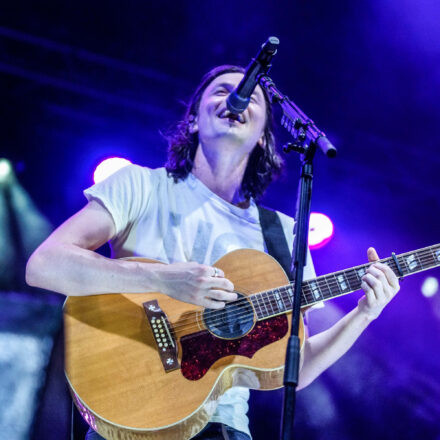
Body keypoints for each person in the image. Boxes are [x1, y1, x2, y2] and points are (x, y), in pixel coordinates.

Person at [25, 65, 400, 440]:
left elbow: (294, 371)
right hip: (127, 416)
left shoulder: (284, 235)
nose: (236, 99)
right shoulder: (140, 185)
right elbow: (45, 264)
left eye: (251, 97)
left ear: (264, 139)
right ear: (192, 121)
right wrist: (160, 278)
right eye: (221, 91)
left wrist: (363, 315)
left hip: (224, 428)